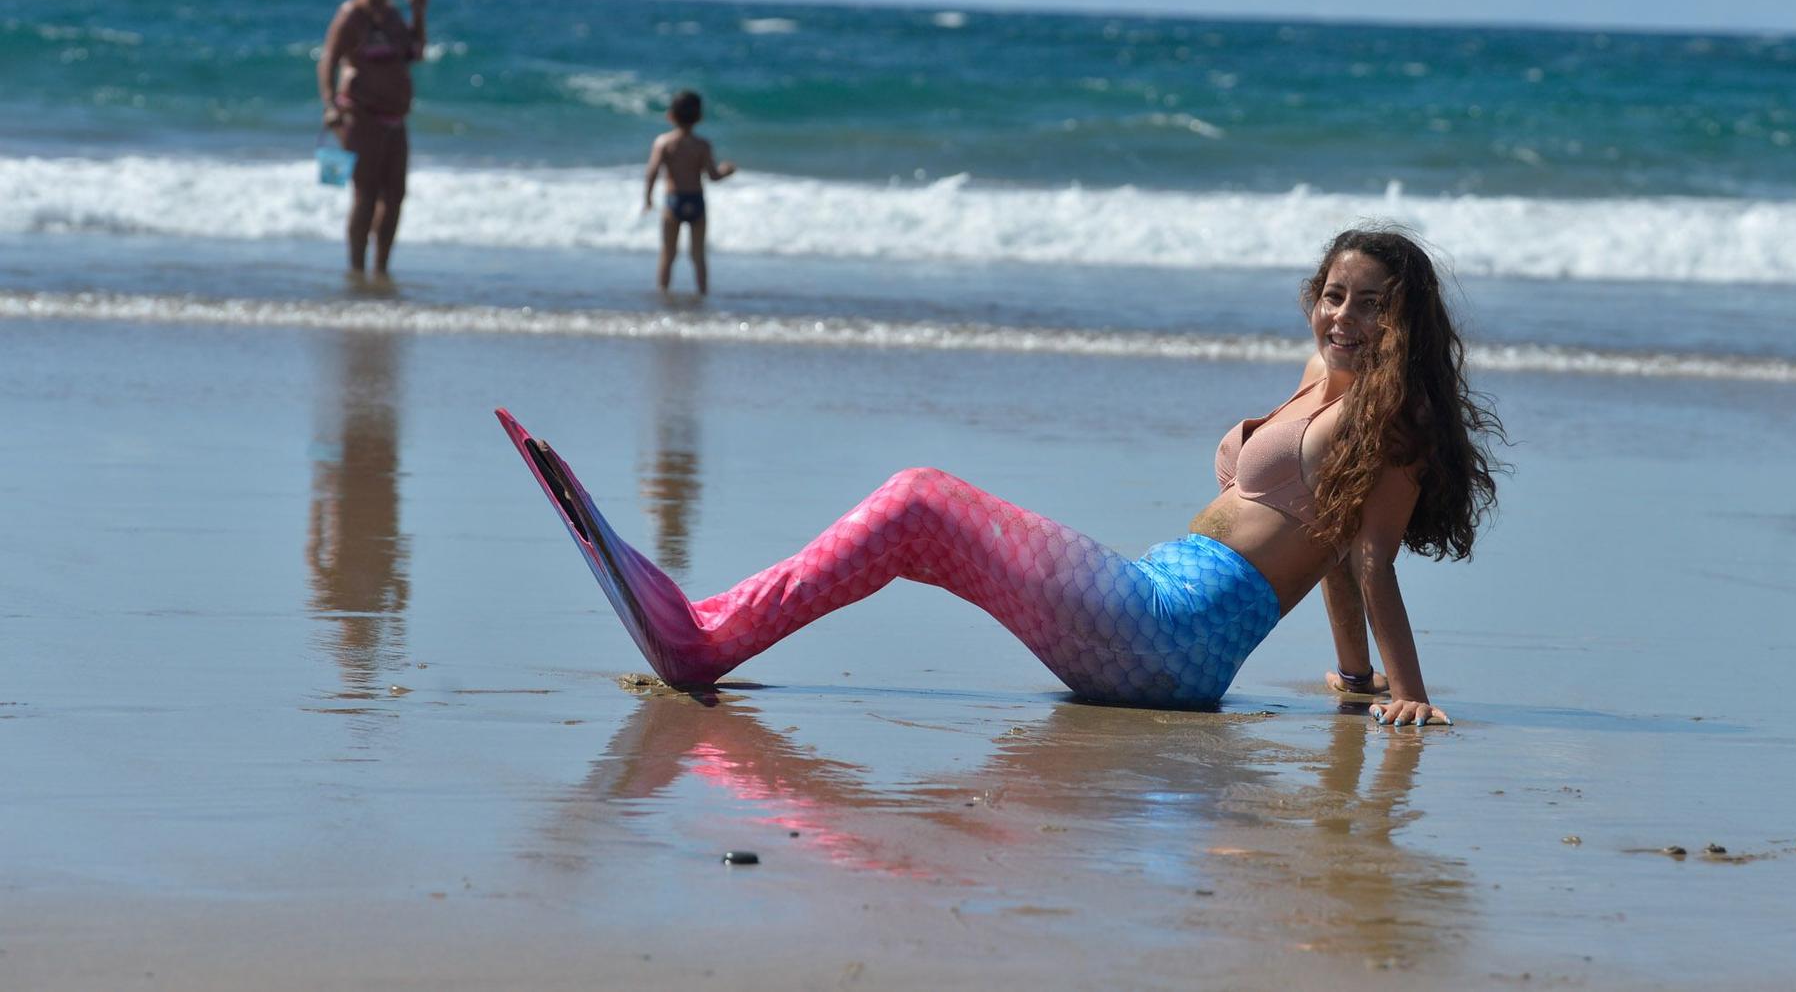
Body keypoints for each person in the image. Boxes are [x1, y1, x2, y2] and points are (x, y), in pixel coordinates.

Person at [497, 227, 1505, 725]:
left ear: (1401, 316)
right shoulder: (1317, 377)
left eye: (1365, 304)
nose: (1340, 316)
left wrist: (1405, 695)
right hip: (1156, 617)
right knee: (920, 524)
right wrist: (1354, 674)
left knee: (921, 498)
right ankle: (708, 619)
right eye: (1330, 295)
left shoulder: (1395, 422)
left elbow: (1366, 555)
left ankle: (704, 633)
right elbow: (1326, 542)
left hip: (1170, 637)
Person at [319, 0, 426, 275]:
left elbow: (415, 53)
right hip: (360, 117)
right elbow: (328, 60)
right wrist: (330, 105)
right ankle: (355, 268)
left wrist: (418, 13)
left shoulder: (394, 17)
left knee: (395, 195)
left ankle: (381, 269)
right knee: (365, 195)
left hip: (395, 120)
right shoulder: (351, 14)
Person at [642, 89, 736, 293]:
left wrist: (648, 199)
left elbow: (652, 172)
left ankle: (663, 292)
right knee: (698, 256)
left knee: (668, 254)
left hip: (673, 199)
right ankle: (702, 293)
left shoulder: (663, 142)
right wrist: (727, 171)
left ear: (670, 115)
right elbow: (713, 176)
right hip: (696, 201)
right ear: (700, 117)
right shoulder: (702, 145)